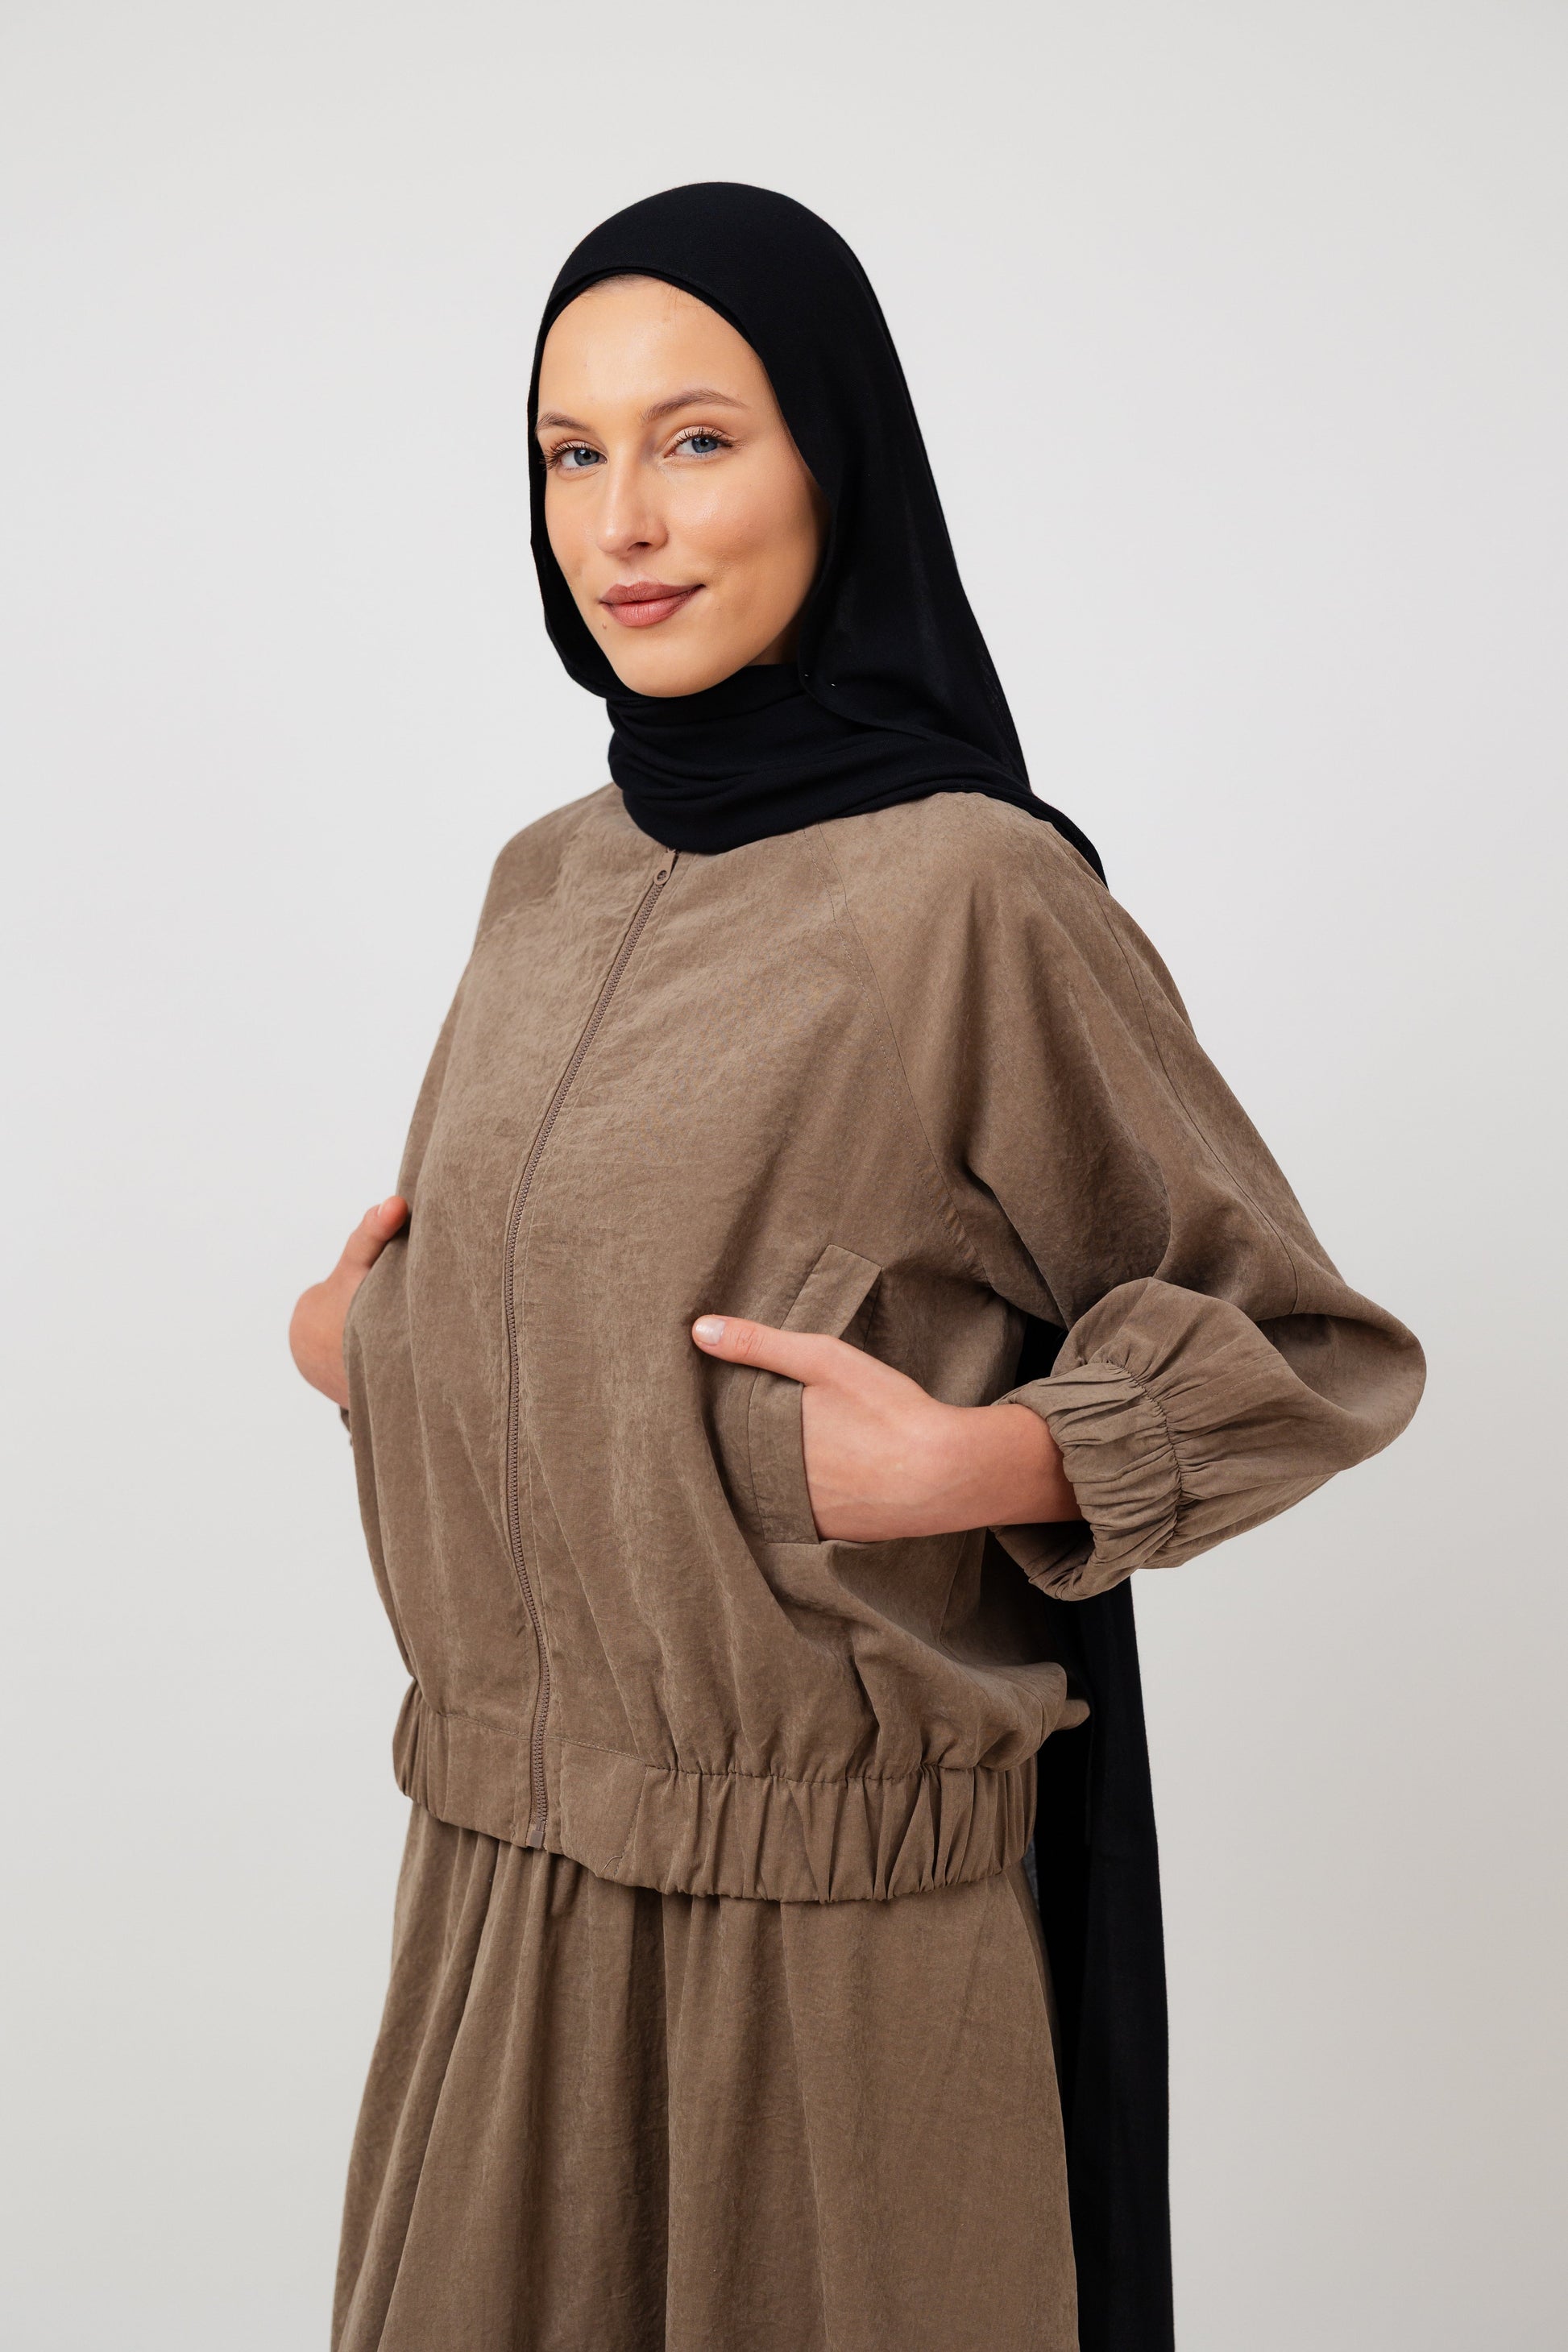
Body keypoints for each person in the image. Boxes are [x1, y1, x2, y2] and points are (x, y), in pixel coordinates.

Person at [290, 184, 1425, 2352]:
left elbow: (1309, 1346)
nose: (621, 519)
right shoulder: (542, 883)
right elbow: (587, 1309)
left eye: (697, 440)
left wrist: (984, 1464)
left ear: (839, 463)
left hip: (833, 1969)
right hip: (497, 1911)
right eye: (570, 452)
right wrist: (373, 1346)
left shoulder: (971, 896)